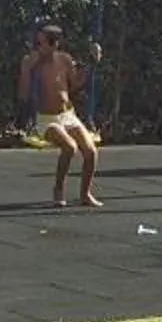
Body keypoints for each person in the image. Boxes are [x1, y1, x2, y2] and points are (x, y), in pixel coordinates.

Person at [18, 18, 99, 207]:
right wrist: (25, 71)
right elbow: (23, 95)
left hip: (68, 115)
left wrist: (92, 63)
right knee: (69, 147)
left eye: (41, 43)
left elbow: (76, 84)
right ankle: (58, 189)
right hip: (47, 119)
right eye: (36, 43)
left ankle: (85, 193)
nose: (37, 47)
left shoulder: (64, 59)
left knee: (90, 151)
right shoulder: (32, 63)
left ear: (54, 44)